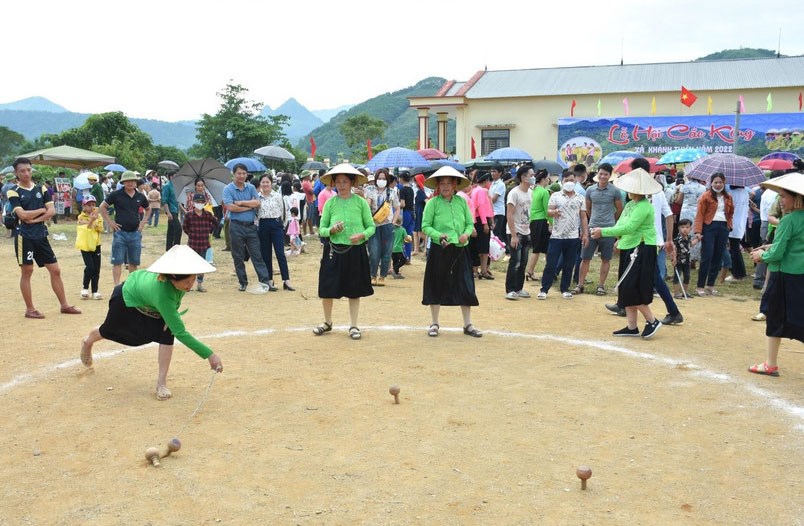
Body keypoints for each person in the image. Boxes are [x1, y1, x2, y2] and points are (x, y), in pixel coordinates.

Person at [79, 245, 223, 400]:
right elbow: (181, 332)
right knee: (109, 330)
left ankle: (161, 383)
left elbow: (175, 302)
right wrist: (210, 355)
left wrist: (171, 316)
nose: (190, 285)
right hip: (127, 297)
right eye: (187, 282)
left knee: (167, 333)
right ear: (173, 278)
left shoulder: (178, 282)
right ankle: (87, 342)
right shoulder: (163, 293)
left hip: (151, 303)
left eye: (193, 279)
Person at [590, 168, 662, 339]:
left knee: (632, 286)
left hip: (642, 248)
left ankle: (652, 320)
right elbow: (622, 224)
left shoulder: (644, 206)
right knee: (625, 286)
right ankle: (632, 327)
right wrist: (619, 240)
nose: (628, 191)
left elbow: (630, 227)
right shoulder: (630, 205)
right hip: (631, 247)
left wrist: (603, 232)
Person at [8, 157, 82, 318]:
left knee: (55, 270)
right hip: (24, 236)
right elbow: (21, 214)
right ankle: (30, 309)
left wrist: (34, 218)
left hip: (40, 235)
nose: (26, 173)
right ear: (16, 173)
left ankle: (64, 305)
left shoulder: (41, 188)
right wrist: (42, 210)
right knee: (27, 271)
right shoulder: (13, 191)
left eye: (28, 170)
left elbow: (52, 211)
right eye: (22, 171)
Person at [748, 172, 804, 377]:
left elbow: (778, 253)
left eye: (784, 196)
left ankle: (770, 364)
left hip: (784, 276)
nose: (780, 200)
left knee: (774, 317)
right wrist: (772, 246)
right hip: (801, 275)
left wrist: (762, 255)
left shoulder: (788, 220)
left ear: (796, 198)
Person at [313, 163, 375, 340]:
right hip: (333, 251)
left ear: (352, 182)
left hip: (356, 251)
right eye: (338, 181)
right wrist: (331, 230)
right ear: (333, 183)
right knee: (327, 288)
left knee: (354, 289)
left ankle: (354, 326)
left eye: (345, 181)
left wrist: (362, 235)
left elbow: (371, 227)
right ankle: (327, 322)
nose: (341, 184)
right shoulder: (330, 203)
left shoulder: (361, 203)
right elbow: (321, 229)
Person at [421, 166, 482, 337]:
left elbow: (470, 224)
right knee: (436, 284)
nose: (446, 187)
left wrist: (466, 234)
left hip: (461, 249)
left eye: (449, 183)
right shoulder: (432, 203)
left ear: (455, 185)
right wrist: (439, 235)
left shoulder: (462, 202)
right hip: (440, 248)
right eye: (442, 183)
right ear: (438, 186)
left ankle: (468, 324)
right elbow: (425, 226)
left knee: (466, 285)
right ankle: (434, 323)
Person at [538, 171, 588, 300]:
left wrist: (585, 233)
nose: (569, 182)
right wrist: (554, 212)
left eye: (572, 180)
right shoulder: (555, 196)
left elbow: (583, 217)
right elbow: (548, 212)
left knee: (569, 264)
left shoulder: (580, 198)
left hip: (572, 236)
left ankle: (565, 288)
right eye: (566, 180)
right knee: (551, 263)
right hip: (556, 236)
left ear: (576, 181)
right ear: (562, 181)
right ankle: (544, 289)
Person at [223, 164, 274, 292]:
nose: (241, 176)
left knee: (257, 255)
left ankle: (264, 281)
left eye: (244, 173)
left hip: (251, 227)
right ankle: (243, 282)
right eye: (239, 173)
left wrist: (240, 203)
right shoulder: (228, 189)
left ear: (247, 174)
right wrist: (249, 206)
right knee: (238, 256)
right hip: (236, 226)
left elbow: (257, 203)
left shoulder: (251, 187)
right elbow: (230, 207)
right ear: (234, 174)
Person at [576, 163, 622, 295]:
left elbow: (619, 209)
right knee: (585, 258)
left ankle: (601, 286)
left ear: (610, 175)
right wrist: (593, 221)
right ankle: (580, 285)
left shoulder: (615, 191)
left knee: (606, 258)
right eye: (600, 173)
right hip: (592, 228)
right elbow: (588, 208)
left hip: (608, 229)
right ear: (597, 173)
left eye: (605, 174)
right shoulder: (590, 190)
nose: (602, 176)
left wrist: (611, 221)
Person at [100, 171, 152, 286]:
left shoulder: (140, 196)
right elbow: (102, 207)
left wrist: (142, 223)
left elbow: (148, 209)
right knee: (117, 261)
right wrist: (110, 222)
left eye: (132, 181)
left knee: (133, 262)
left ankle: (131, 285)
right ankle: (116, 286)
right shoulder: (116, 194)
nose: (130, 183)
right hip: (120, 233)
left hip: (135, 233)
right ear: (123, 182)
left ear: (136, 182)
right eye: (127, 181)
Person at [693, 173, 734, 296]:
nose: (718, 184)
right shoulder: (705, 196)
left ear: (724, 183)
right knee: (707, 256)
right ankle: (700, 286)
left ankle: (710, 285)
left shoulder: (728, 197)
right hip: (709, 226)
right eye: (715, 182)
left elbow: (731, 212)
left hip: (723, 227)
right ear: (711, 183)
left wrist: (729, 225)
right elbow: (699, 215)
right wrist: (698, 232)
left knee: (718, 256)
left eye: (720, 182)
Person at [255, 173, 295, 290]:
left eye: (267, 182)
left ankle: (286, 280)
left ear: (271, 183)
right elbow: (255, 214)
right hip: (263, 226)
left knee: (280, 253)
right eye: (263, 182)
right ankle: (269, 280)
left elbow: (285, 211)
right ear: (260, 184)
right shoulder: (257, 197)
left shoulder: (278, 196)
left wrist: (282, 225)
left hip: (276, 225)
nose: (265, 184)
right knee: (266, 254)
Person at [365, 168, 400, 286]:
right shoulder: (370, 190)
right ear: (375, 179)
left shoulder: (392, 192)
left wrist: (394, 221)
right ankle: (372, 275)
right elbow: (367, 206)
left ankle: (383, 276)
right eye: (379, 178)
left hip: (387, 225)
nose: (381, 180)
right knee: (374, 251)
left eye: (384, 178)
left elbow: (397, 207)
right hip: (374, 225)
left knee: (386, 252)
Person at [505, 166, 534, 300]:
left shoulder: (530, 192)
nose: (533, 177)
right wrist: (513, 235)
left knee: (523, 261)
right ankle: (510, 289)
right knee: (515, 261)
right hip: (515, 231)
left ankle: (519, 287)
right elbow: (509, 214)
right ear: (523, 177)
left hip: (526, 230)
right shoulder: (514, 193)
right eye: (531, 175)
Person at [182, 193, 218, 292]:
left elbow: (216, 223)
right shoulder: (189, 215)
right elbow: (185, 227)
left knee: (201, 265)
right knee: (191, 265)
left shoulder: (207, 214)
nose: (200, 204)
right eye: (198, 202)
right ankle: (188, 284)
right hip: (192, 244)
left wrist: (209, 230)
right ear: (193, 203)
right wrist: (191, 234)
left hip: (203, 244)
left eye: (202, 202)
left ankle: (199, 284)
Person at [75, 195, 104, 300]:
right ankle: (85, 287)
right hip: (85, 245)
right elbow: (83, 226)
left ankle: (95, 290)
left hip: (96, 244)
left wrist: (93, 222)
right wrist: (91, 221)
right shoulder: (81, 216)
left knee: (96, 268)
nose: (91, 207)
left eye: (93, 205)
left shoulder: (98, 216)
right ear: (84, 206)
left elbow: (100, 228)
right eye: (89, 205)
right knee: (90, 266)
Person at [525, 170, 551, 281]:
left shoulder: (533, 190)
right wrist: (552, 224)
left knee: (539, 248)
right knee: (540, 249)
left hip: (532, 221)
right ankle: (531, 271)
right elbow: (547, 211)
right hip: (541, 221)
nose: (549, 180)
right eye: (548, 177)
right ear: (544, 179)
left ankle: (544, 271)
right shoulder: (544, 192)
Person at [471, 172, 494, 279]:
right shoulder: (481, 191)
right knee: (483, 248)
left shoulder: (476, 190)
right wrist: (485, 223)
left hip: (477, 220)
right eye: (489, 181)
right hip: (481, 220)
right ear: (485, 181)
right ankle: (483, 270)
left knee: (476, 246)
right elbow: (481, 208)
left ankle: (476, 270)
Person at [672, 218, 696, 298]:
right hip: (679, 260)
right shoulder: (677, 239)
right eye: (682, 227)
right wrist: (674, 259)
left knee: (687, 276)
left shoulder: (688, 238)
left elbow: (690, 244)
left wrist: (698, 240)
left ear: (690, 228)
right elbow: (674, 249)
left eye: (687, 227)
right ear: (679, 228)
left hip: (687, 260)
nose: (685, 229)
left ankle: (685, 292)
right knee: (677, 276)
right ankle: (676, 293)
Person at [161, 171, 182, 251]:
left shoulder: (176, 186)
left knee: (171, 230)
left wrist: (183, 210)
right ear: (170, 177)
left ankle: (169, 249)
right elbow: (165, 201)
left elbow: (177, 201)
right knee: (178, 229)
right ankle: (176, 247)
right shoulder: (167, 186)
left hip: (175, 210)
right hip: (171, 210)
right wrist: (168, 213)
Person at [398, 171, 416, 260]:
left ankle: (403, 256)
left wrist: (397, 204)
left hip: (405, 213)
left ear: (401, 179)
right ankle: (408, 257)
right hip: (412, 213)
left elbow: (402, 204)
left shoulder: (402, 190)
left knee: (402, 234)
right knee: (408, 236)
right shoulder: (411, 189)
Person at [489, 165, 507, 246]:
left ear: (500, 173)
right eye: (491, 171)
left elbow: (494, 199)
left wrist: (485, 202)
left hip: (498, 212)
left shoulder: (501, 184)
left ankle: (506, 250)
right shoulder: (492, 183)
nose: (492, 173)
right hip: (493, 211)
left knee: (496, 232)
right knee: (495, 232)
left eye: (494, 171)